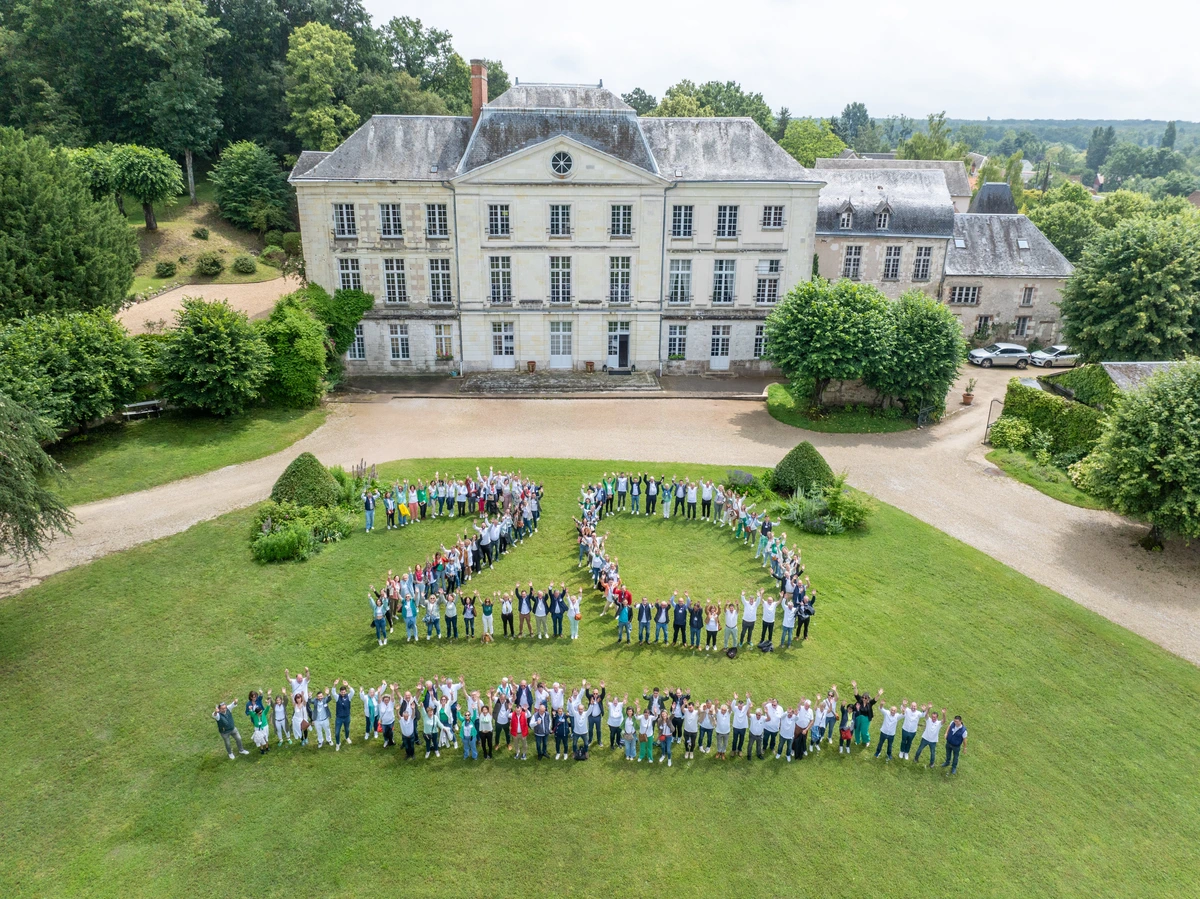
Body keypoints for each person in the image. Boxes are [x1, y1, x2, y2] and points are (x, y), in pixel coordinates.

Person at [332, 680, 355, 751]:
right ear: (340, 692)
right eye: (342, 692)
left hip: (347, 717)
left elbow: (353, 692)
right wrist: (334, 685)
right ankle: (338, 743)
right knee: (336, 732)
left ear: (346, 691)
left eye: (344, 692)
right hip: (339, 718)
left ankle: (347, 737)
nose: (343, 693)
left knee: (347, 729)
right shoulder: (337, 697)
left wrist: (348, 685)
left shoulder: (349, 696)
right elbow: (333, 692)